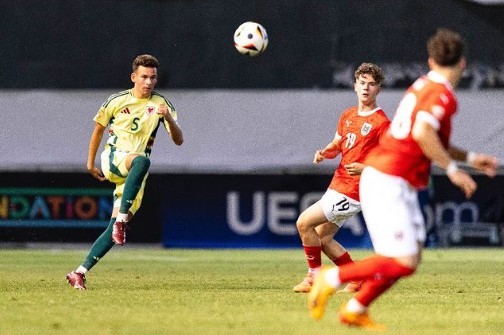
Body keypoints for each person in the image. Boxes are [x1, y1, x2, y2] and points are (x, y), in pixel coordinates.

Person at [307, 29, 499, 330]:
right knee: (402, 260)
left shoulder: (422, 85)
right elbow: (423, 133)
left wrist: (472, 158)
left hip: (393, 179)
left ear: (430, 61)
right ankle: (331, 279)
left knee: (410, 257)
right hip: (388, 179)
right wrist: (452, 170)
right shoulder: (442, 95)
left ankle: (355, 309)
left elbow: (427, 136)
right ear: (463, 63)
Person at [66, 54, 183, 290]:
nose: (149, 82)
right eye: (144, 77)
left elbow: (179, 140)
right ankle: (121, 221)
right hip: (115, 158)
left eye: (153, 77)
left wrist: (168, 117)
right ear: (134, 77)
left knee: (113, 229)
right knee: (141, 161)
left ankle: (79, 272)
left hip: (135, 175)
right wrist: (90, 163)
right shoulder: (117, 101)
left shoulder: (162, 104)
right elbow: (98, 130)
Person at [293, 63, 390, 293]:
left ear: (379, 90)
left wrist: (366, 168)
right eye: (362, 83)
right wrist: (325, 152)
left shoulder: (381, 123)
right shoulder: (347, 115)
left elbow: (391, 160)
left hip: (354, 190)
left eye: (372, 84)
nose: (366, 88)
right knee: (322, 238)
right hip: (338, 185)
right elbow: (338, 143)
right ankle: (357, 278)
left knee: (304, 223)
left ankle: (313, 278)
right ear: (355, 86)